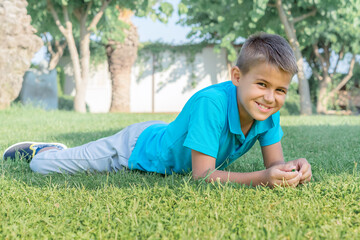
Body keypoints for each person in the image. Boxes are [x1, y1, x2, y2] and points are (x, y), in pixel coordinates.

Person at [3, 33, 312, 188]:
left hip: (165, 137)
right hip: (132, 149)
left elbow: (277, 165)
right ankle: (46, 149)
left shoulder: (267, 112)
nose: (270, 97)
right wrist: (262, 178)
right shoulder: (212, 103)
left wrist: (291, 170)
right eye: (261, 84)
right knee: (41, 168)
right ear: (236, 77)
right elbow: (202, 176)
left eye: (280, 89)